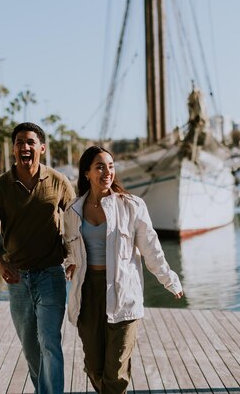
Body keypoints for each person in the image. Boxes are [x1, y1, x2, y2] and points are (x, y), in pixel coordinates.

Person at [63, 146, 184, 394]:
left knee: (116, 372)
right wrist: (69, 263)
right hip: (87, 292)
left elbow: (151, 249)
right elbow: (68, 247)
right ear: (86, 173)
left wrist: (169, 280)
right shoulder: (73, 210)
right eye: (99, 167)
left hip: (123, 292)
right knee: (94, 366)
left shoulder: (132, 206)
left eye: (110, 166)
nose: (107, 172)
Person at [0, 122, 75, 394]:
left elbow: (76, 226)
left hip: (50, 274)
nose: (25, 147)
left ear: (42, 148)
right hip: (17, 279)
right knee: (31, 348)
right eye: (19, 142)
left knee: (49, 342)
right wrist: (0, 263)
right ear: (13, 149)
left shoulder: (59, 182)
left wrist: (74, 260)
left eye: (31, 142)